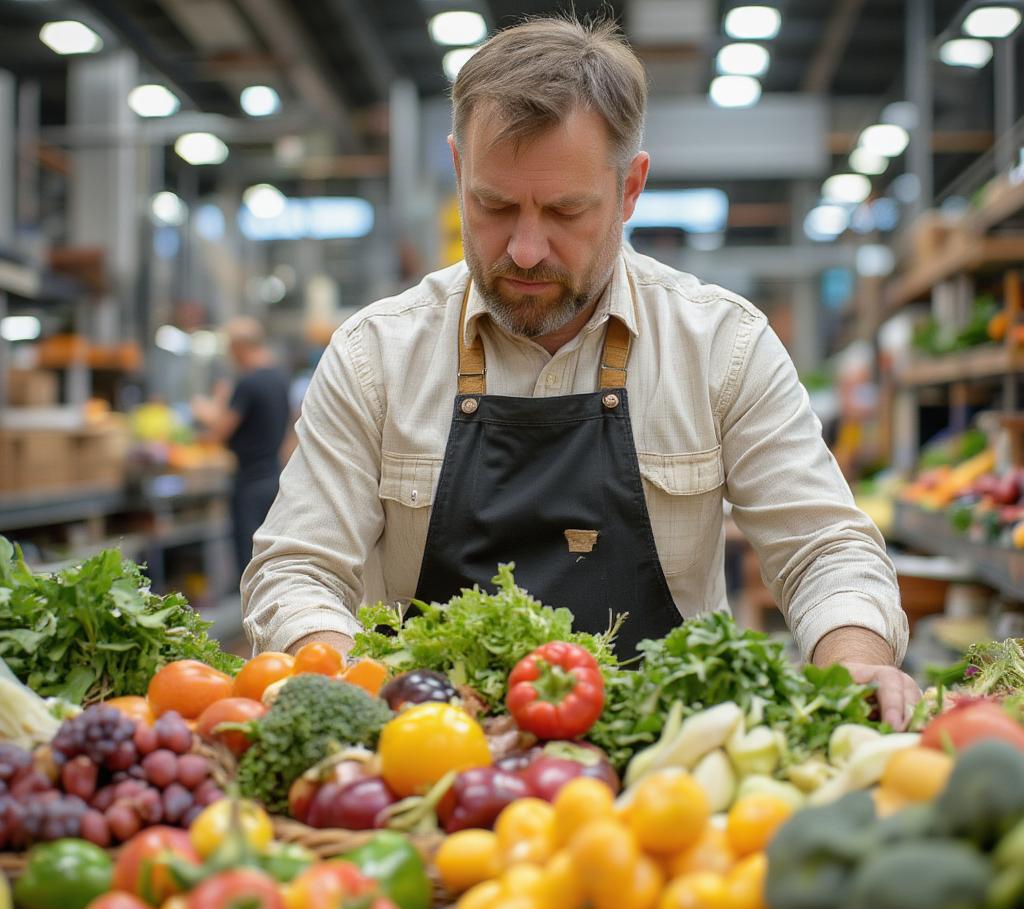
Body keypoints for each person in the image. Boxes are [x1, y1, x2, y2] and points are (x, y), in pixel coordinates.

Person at [241, 17, 918, 728]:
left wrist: (852, 656)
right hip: (431, 765)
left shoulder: (722, 346)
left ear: (630, 190)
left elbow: (823, 548)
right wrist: (332, 669)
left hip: (665, 774)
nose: (527, 250)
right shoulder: (375, 356)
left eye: (566, 211)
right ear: (457, 170)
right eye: (494, 206)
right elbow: (298, 569)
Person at [192, 316, 291, 578]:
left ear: (239, 347)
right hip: (274, 480)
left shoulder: (247, 384)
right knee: (270, 561)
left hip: (249, 483)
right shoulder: (280, 379)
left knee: (249, 567)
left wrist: (207, 408)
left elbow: (218, 432)